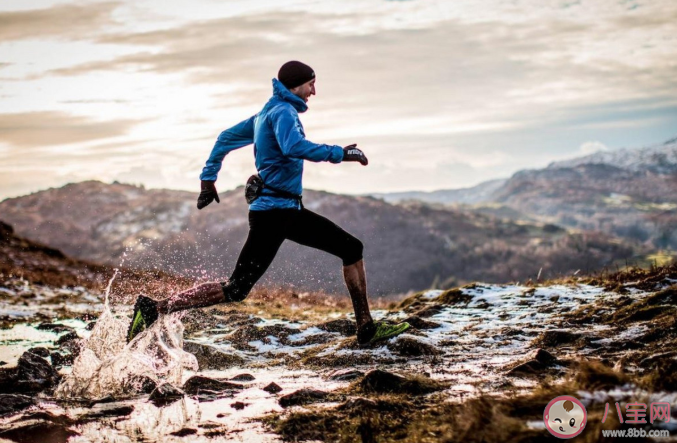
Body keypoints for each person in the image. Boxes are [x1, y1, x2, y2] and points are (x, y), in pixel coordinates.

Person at [127, 61, 410, 345]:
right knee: (243, 286)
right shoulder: (283, 112)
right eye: (311, 83)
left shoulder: (266, 113)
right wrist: (341, 153)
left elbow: (225, 138)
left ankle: (366, 327)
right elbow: (293, 147)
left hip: (280, 212)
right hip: (277, 214)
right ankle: (154, 308)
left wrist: (208, 178)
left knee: (243, 286)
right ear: (297, 84)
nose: (314, 90)